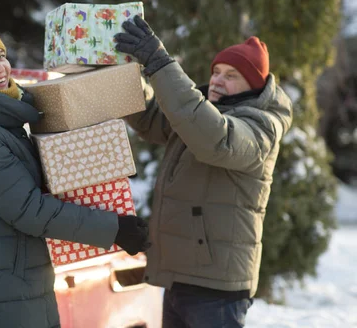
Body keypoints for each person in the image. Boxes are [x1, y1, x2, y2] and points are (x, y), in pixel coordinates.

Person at [0, 24, 151, 328]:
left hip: (13, 287)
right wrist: (113, 229)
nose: (0, 68)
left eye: (1, 55)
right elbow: (28, 210)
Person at [114, 16, 293, 328]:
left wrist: (159, 63)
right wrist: (114, 70)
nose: (218, 80)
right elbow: (152, 116)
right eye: (216, 72)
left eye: (231, 75)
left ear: (253, 86)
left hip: (217, 290)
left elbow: (216, 139)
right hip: (181, 277)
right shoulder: (204, 113)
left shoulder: (260, 126)